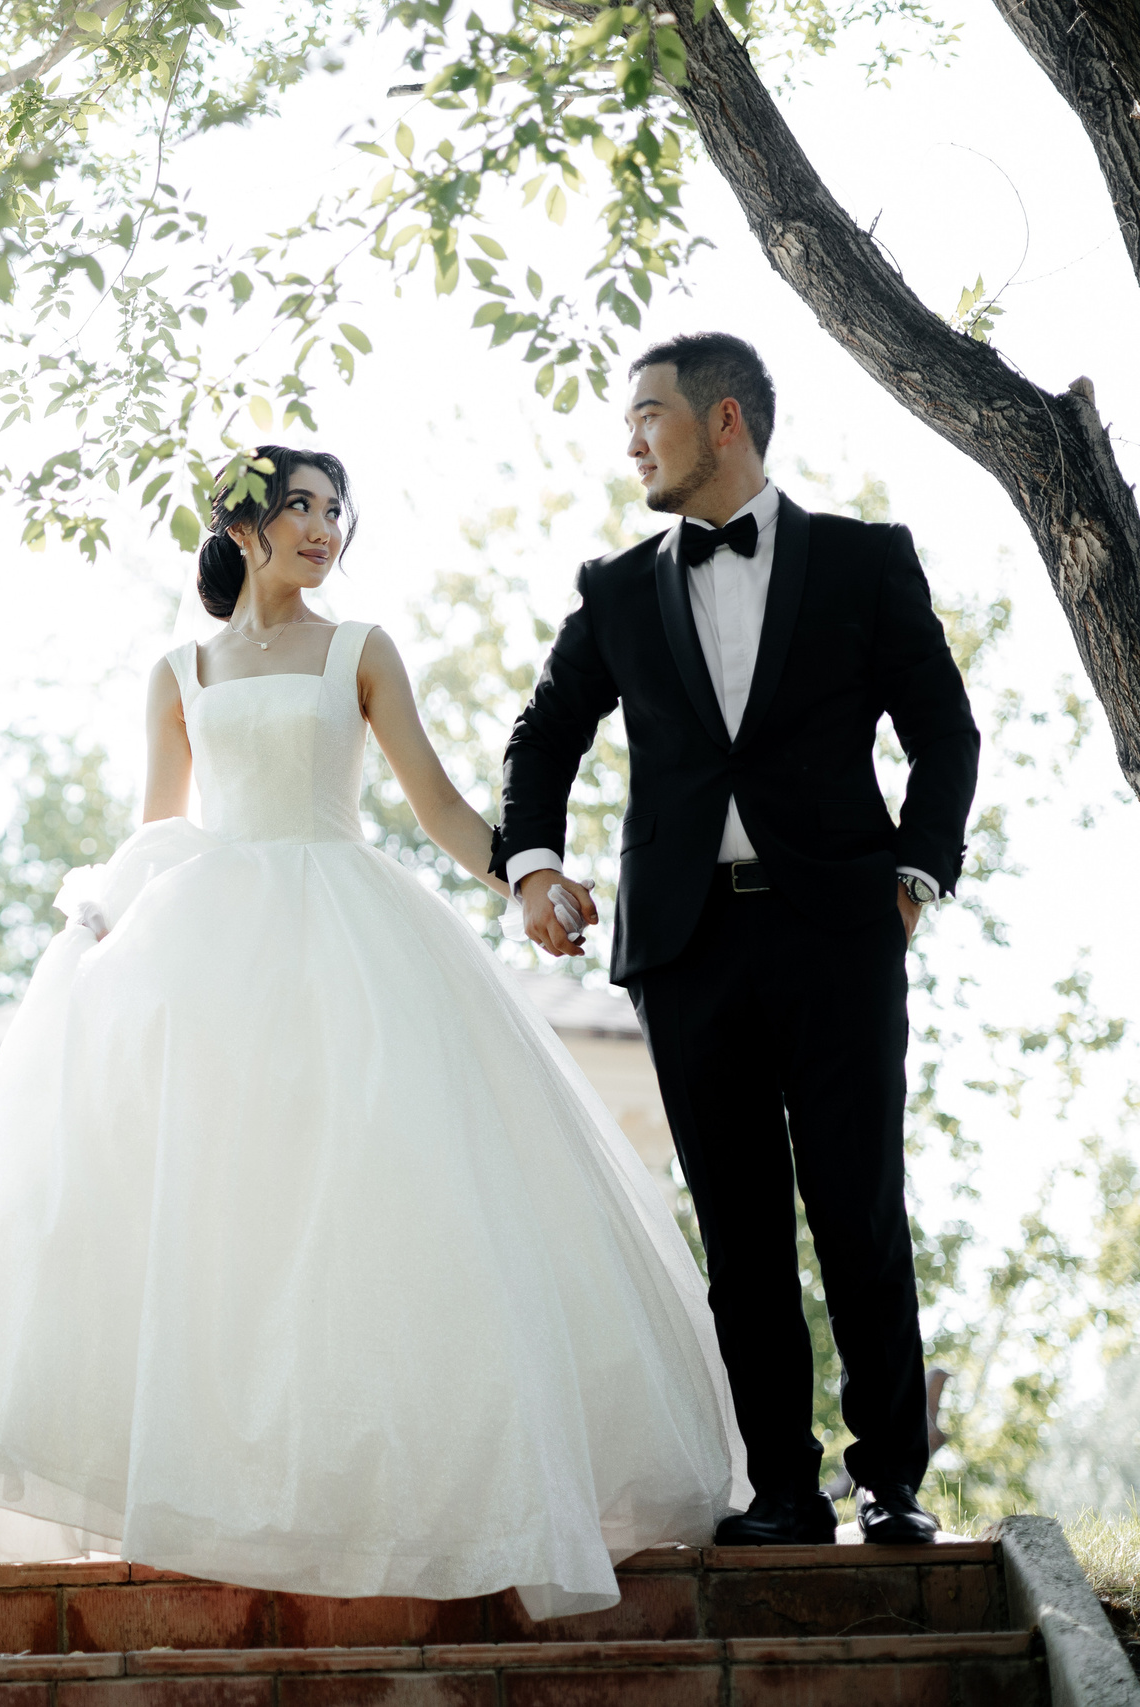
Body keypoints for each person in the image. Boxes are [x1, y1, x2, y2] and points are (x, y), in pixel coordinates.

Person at [0, 446, 746, 1619]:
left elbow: (441, 803)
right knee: (204, 1217)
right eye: (301, 506)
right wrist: (102, 946)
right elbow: (157, 831)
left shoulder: (361, 651)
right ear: (244, 525)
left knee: (366, 1209)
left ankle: (377, 1494)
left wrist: (526, 880)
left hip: (354, 937)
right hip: (208, 946)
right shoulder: (179, 671)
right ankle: (205, 1494)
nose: (324, 526)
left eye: (336, 510)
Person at [495, 332, 978, 1548]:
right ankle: (780, 1491)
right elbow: (542, 735)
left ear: (722, 422)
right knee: (740, 1231)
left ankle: (893, 1484)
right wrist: (534, 863)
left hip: (839, 933)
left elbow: (944, 731)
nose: (630, 440)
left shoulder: (865, 562)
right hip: (684, 946)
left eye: (646, 414)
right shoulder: (613, 588)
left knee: (858, 1209)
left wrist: (914, 877)